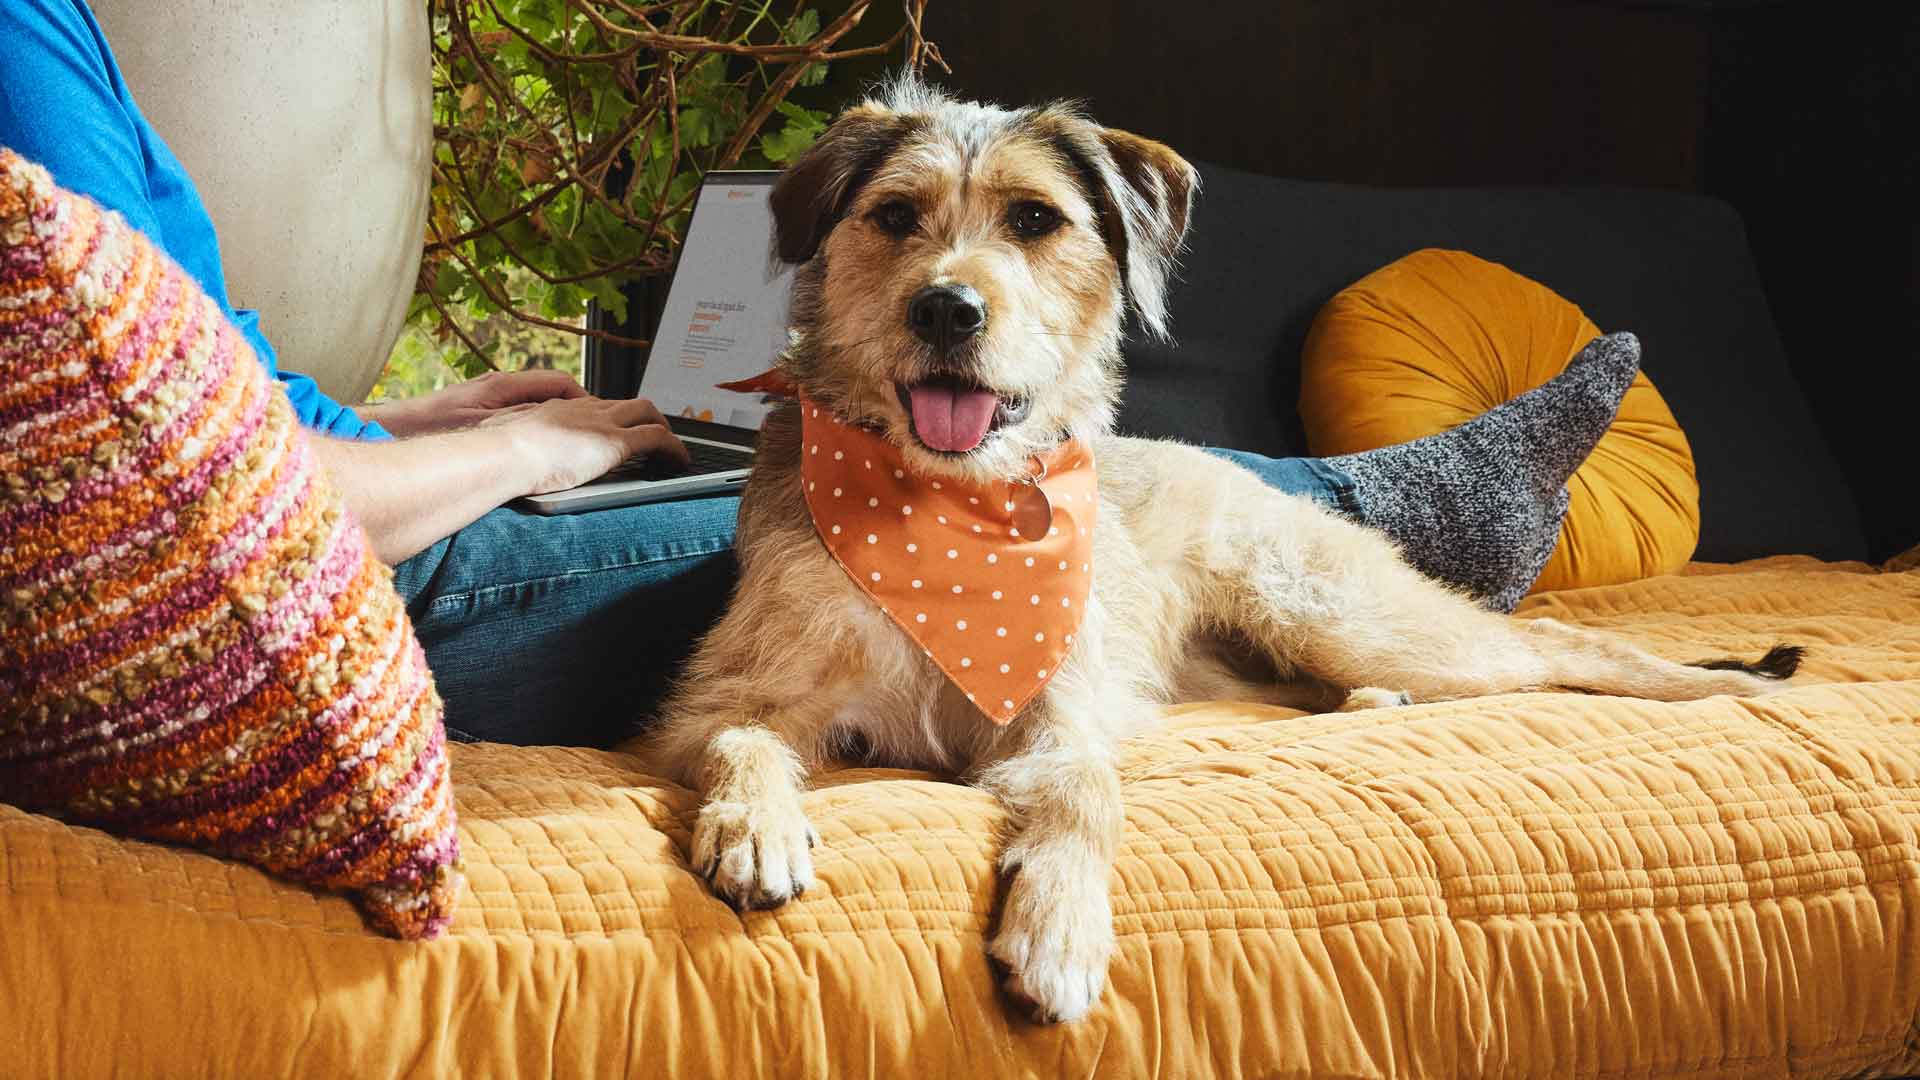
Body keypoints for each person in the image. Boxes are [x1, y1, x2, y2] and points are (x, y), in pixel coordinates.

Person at [0, 0, 1638, 746]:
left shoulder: (54, 31)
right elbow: (178, 510)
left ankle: (1335, 560)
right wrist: (528, 457)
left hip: (363, 506)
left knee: (849, 459)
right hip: (355, 589)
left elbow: (181, 401)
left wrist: (412, 421)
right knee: (965, 497)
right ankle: (1380, 504)